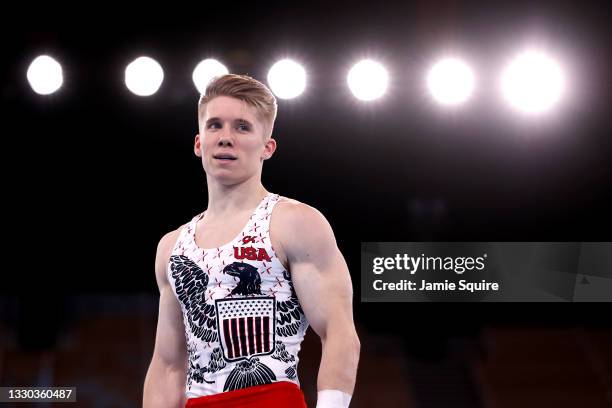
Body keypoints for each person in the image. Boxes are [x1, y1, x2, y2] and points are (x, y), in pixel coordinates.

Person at [143, 74, 360, 408]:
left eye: (242, 127)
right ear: (199, 142)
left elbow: (340, 333)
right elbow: (168, 365)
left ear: (267, 147)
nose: (226, 138)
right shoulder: (172, 247)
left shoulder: (295, 223)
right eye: (215, 125)